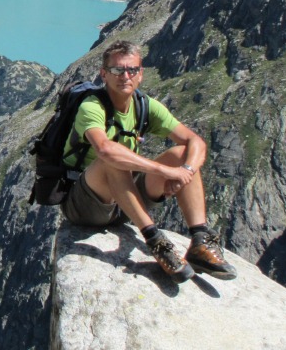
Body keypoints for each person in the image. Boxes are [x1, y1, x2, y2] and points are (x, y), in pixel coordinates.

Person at [60, 40, 236, 282]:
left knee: (181, 154)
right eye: (117, 70)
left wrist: (185, 171)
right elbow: (104, 149)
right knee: (111, 158)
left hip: (124, 200)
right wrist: (164, 171)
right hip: (86, 204)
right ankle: (155, 241)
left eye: (132, 70)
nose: (125, 76)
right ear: (104, 75)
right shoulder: (92, 106)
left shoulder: (144, 106)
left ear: (140, 74)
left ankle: (200, 240)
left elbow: (195, 142)